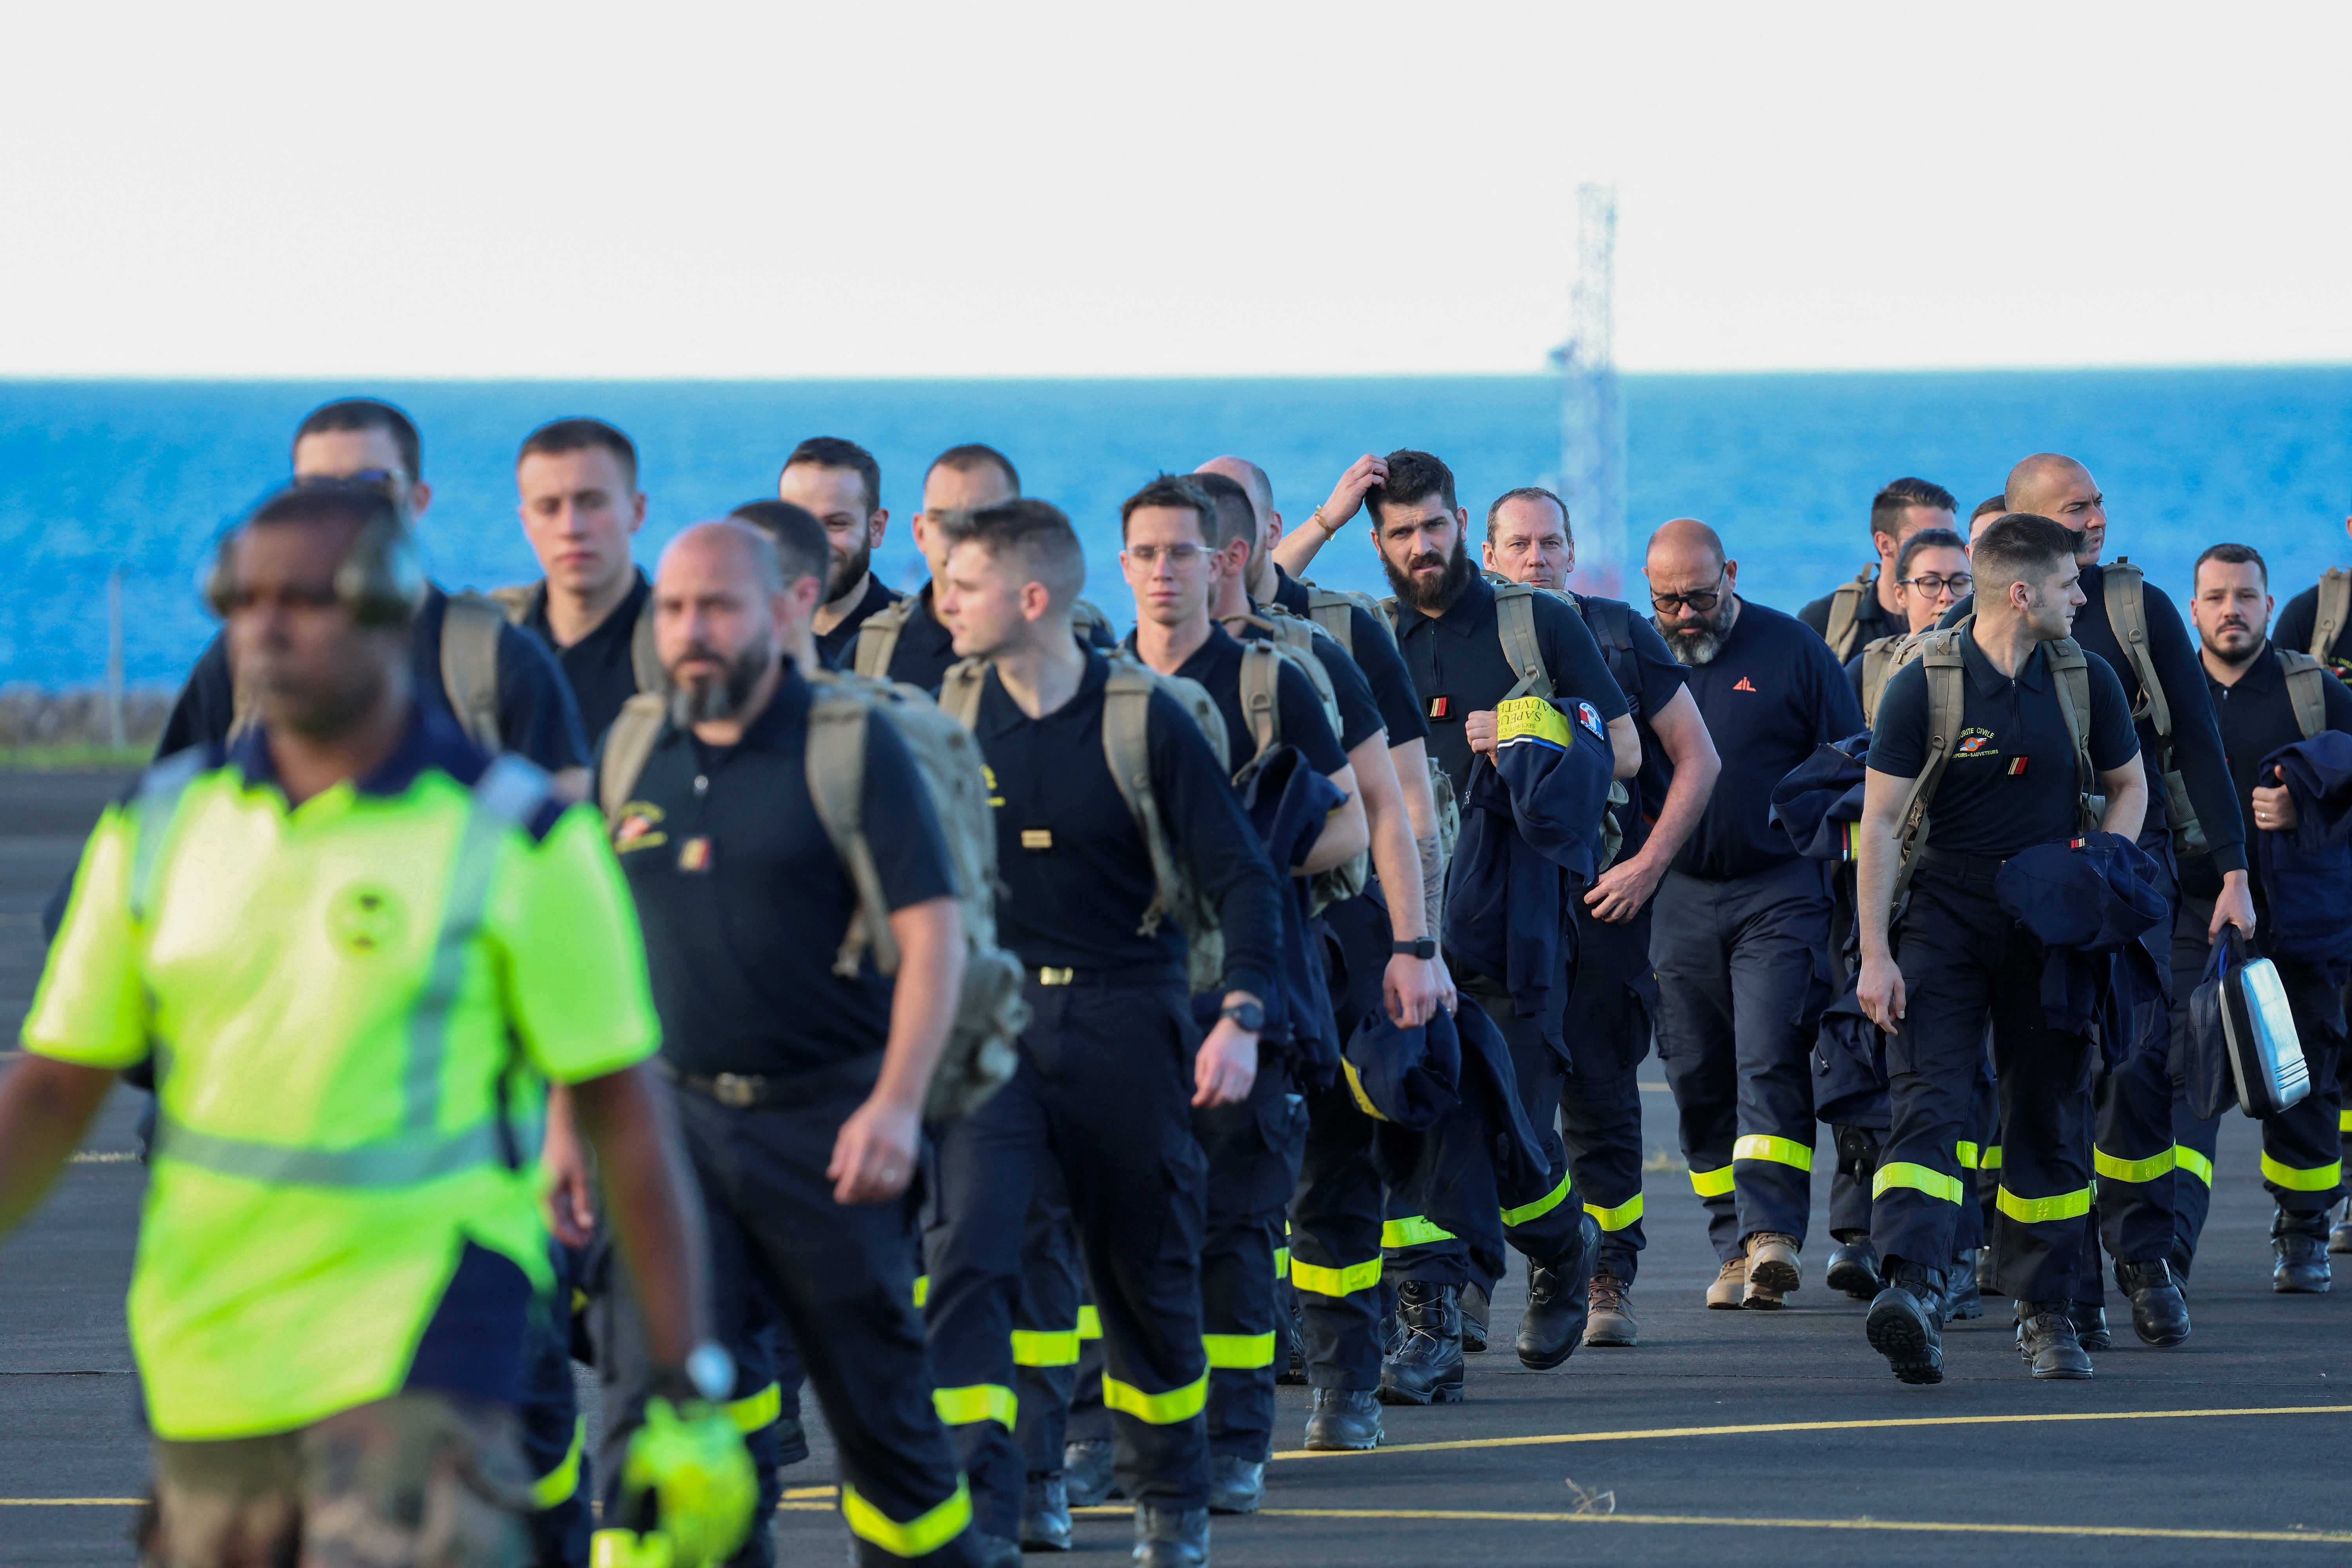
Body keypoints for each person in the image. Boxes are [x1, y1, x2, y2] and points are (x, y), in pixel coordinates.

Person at [0, 482, 740, 1568]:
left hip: (424, 1341)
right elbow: (58, 1083)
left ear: (396, 611)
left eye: (308, 597)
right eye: (245, 597)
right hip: (212, 1349)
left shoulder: (518, 840)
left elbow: (628, 1122)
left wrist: (685, 1386)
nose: (267, 623)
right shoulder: (162, 830)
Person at [595, 515, 985, 1568]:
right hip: (670, 1134)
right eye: (674, 608)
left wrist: (897, 1108)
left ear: (784, 611)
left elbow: (934, 940)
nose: (691, 630)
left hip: (829, 1129)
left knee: (886, 1426)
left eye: (717, 606)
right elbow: (587, 957)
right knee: (651, 1419)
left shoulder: (850, 748)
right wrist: (562, 1133)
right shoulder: (635, 749)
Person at [921, 499, 1286, 1568]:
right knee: (973, 1265)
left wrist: (1243, 1020)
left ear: (1032, 599)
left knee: (1145, 1272)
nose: (943, 603)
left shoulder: (1145, 720)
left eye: (964, 584)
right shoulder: (946, 712)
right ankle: (1003, 1501)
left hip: (1130, 1012)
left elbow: (1244, 883)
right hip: (995, 1028)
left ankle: (1170, 1500)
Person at [1944, 456, 2253, 1341]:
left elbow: (2196, 743)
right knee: (2047, 1078)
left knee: (2138, 1065)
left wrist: (2231, 871)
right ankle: (2060, 1281)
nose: (2100, 515)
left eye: (2101, 500)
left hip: (2126, 874)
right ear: (2027, 525)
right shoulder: (1982, 619)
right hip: (2025, 885)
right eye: (2080, 506)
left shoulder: (2135, 608)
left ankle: (2146, 1256)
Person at [1110, 471, 1367, 1510]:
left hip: (1252, 989)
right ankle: (1112, 1439)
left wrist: (1246, 868)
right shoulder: (1097, 685)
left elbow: (1350, 822)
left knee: (1234, 1234)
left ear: (1223, 559)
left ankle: (1235, 1443)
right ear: (1121, 563)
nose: (1166, 571)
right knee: (1118, 1233)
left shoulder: (1270, 685)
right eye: (1147, 553)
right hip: (1126, 999)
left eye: (1185, 551)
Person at [1193, 453, 1451, 1446]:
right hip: (1183, 960)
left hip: (1323, 937)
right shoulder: (1122, 673)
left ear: (1248, 545)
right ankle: (1216, 1401)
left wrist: (1417, 944)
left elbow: (1392, 811)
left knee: (1333, 1158)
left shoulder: (1320, 656)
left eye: (1200, 547)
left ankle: (1344, 1379)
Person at [1855, 513, 2147, 1383]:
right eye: (2068, 584)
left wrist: (2103, 865)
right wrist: (1876, 953)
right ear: (2023, 592)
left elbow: (2128, 787)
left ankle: (2048, 1311)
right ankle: (1910, 1288)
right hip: (1943, 908)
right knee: (1931, 1100)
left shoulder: (2084, 676)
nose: (2082, 596)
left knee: (2049, 1108)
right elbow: (1877, 822)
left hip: (2050, 919)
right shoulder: (1924, 685)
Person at [1366, 450, 1634, 1390]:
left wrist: (1527, 725)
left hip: (1516, 912)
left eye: (1433, 524)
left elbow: (1627, 747)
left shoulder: (1537, 624)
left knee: (1513, 1124)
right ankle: (1432, 1323)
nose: (1420, 545)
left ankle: (1562, 1242)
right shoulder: (1365, 635)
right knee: (1419, 1119)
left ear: (1459, 523)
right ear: (1378, 541)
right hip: (1403, 919)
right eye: (1399, 531)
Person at [1484, 487, 1722, 1346]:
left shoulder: (1619, 631)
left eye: (1552, 543)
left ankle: (1609, 1271)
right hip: (1495, 911)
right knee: (1486, 1092)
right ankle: (1469, 1282)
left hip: (1602, 901)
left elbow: (1697, 757)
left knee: (1601, 1094)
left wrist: (1649, 865)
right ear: (1489, 556)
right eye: (1518, 544)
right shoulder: (1464, 636)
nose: (1536, 558)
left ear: (1573, 551)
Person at [1644, 518, 1864, 1308]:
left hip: (1780, 888)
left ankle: (1774, 1233)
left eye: (1700, 596)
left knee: (1769, 1053)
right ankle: (1731, 1238)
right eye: (1667, 600)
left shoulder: (1794, 650)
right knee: (1695, 1071)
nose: (1685, 615)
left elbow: (1854, 759)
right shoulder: (1639, 654)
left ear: (1731, 573)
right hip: (1674, 895)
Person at [156, 397, 591, 791]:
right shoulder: (244, 655)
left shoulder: (499, 657)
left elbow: (554, 820)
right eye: (315, 491)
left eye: (372, 485)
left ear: (419, 500)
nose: (340, 510)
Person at [2167, 544, 2350, 1291]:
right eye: (2216, 598)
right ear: (2194, 610)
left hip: (2294, 921)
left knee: (2302, 1079)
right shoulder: (2170, 696)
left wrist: (2306, 801)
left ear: (2271, 607)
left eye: (2246, 596)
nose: (2231, 611)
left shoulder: (2317, 692)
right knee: (2180, 1082)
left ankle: (2304, 1232)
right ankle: (2166, 1250)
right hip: (2191, 916)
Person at [497, 416, 656, 742]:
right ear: (526, 523)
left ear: (637, 511)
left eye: (593, 502)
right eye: (549, 508)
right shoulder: (489, 642)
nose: (571, 528)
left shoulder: (682, 648)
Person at [853, 445, 1023, 690]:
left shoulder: (1077, 648)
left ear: (1019, 530)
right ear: (921, 533)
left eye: (984, 519)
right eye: (945, 521)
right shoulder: (871, 656)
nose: (963, 537)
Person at [1798, 478, 1959, 662]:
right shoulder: (1824, 620)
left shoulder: (1971, 619)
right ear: (1885, 544)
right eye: (1926, 539)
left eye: (1950, 538)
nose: (1943, 550)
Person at [779, 436, 902, 666]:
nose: (815, 543)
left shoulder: (914, 640)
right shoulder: (755, 642)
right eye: (799, 522)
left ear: (876, 529)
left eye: (836, 524)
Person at [1847, 527, 1971, 718]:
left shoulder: (1998, 663)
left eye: (1961, 582)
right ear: (1900, 594)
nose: (1947, 597)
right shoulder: (1866, 669)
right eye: (1930, 583)